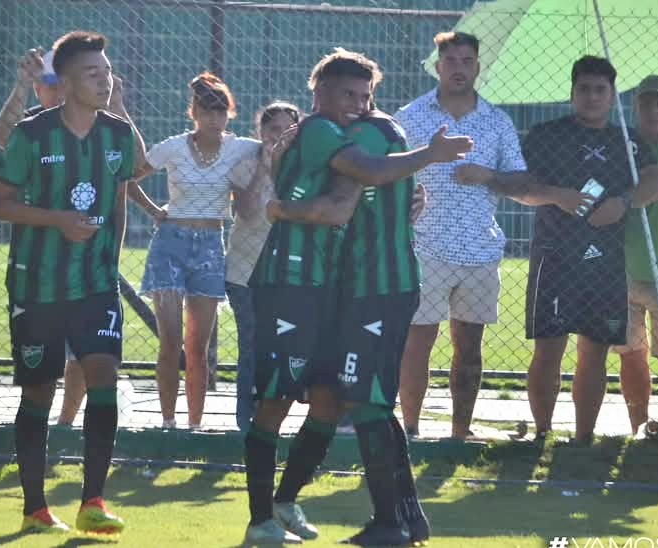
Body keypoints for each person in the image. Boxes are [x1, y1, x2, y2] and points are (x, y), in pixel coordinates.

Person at [243, 47, 472, 546]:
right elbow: (347, 198)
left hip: (343, 290)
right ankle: (263, 519)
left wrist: (286, 208)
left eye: (365, 96)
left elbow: (350, 199)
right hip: (291, 284)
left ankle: (350, 512)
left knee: (342, 400)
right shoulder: (324, 131)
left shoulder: (363, 129)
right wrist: (427, 159)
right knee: (292, 399)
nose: (358, 104)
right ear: (319, 90)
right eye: (348, 94)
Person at [0, 30, 132, 534]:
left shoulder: (117, 134)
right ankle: (35, 507)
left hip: (96, 283)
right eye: (93, 73)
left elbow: (121, 197)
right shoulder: (32, 134)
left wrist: (110, 264)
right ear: (65, 83)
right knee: (38, 393)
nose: (105, 80)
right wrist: (59, 221)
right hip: (37, 286)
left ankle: (93, 501)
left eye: (107, 71)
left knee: (103, 374)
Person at [518, 56, 658, 444]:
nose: (592, 96)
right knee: (549, 349)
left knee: (595, 350)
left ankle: (583, 439)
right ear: (572, 93)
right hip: (555, 255)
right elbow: (520, 188)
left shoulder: (626, 141)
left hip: (605, 262)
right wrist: (557, 196)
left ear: (613, 95)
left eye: (600, 90)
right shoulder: (546, 135)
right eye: (584, 89)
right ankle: (542, 434)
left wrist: (624, 201)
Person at [394, 31, 527, 439]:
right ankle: (410, 430)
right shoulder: (411, 116)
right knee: (416, 344)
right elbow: (387, 170)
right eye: (451, 61)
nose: (459, 69)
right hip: (423, 248)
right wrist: (405, 198)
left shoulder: (497, 121)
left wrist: (488, 176)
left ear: (478, 67)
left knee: (469, 348)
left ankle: (460, 434)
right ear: (438, 67)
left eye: (467, 61)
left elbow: (519, 181)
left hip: (480, 251)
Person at [129, 72, 260, 430]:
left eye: (221, 111)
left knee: (198, 347)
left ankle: (194, 426)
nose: (214, 118)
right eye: (207, 111)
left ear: (229, 114)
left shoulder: (240, 148)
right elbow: (129, 177)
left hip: (210, 247)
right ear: (194, 113)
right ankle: (168, 422)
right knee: (170, 340)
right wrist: (153, 210)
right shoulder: (173, 146)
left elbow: (274, 147)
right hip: (170, 244)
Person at [224, 101, 302, 433]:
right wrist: (264, 168)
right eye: (273, 129)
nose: (279, 136)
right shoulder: (246, 166)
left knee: (286, 346)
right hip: (244, 272)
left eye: (287, 130)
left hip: (286, 273)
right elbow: (244, 210)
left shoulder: (303, 167)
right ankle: (246, 419)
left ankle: (274, 415)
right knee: (251, 345)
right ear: (261, 131)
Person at [613, 75, 658, 433]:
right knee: (630, 353)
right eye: (645, 102)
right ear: (634, 105)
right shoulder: (622, 143)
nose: (653, 109)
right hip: (622, 269)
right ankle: (638, 427)